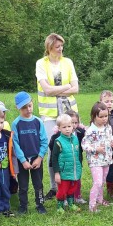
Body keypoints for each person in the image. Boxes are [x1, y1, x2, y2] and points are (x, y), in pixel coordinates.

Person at [36, 33, 79, 201]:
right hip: (49, 114)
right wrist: (66, 86)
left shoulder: (68, 62)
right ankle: (55, 187)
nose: (60, 49)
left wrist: (59, 88)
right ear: (49, 48)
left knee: (70, 149)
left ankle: (72, 185)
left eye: (62, 46)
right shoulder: (41, 64)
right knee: (52, 148)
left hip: (68, 112)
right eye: (57, 47)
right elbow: (46, 90)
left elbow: (76, 88)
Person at [11, 91, 48, 214]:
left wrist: (40, 157)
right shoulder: (16, 124)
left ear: (32, 104)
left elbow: (44, 141)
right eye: (24, 107)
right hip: (23, 162)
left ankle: (40, 204)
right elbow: (15, 144)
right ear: (18, 108)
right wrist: (23, 160)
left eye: (29, 106)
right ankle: (23, 206)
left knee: (38, 184)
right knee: (23, 185)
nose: (28, 109)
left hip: (37, 159)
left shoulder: (38, 122)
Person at [81, 101, 113, 212]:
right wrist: (96, 149)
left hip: (106, 159)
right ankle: (92, 205)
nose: (104, 119)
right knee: (97, 182)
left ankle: (100, 200)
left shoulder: (108, 128)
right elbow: (84, 144)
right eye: (101, 116)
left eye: (106, 116)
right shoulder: (90, 130)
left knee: (102, 181)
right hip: (95, 160)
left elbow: (111, 138)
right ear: (94, 116)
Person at [51, 114, 82, 213]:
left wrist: (79, 166)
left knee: (72, 188)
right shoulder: (58, 142)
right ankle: (60, 206)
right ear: (59, 128)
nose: (67, 129)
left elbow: (78, 154)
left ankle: (71, 203)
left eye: (69, 126)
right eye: (64, 127)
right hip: (63, 172)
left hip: (74, 170)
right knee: (63, 190)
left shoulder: (75, 139)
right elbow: (54, 158)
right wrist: (56, 172)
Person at [99, 90, 113, 200]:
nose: (109, 103)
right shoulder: (98, 116)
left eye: (111, 101)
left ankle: (110, 191)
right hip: (102, 149)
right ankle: (100, 192)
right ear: (101, 102)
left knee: (112, 171)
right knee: (102, 172)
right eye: (106, 101)